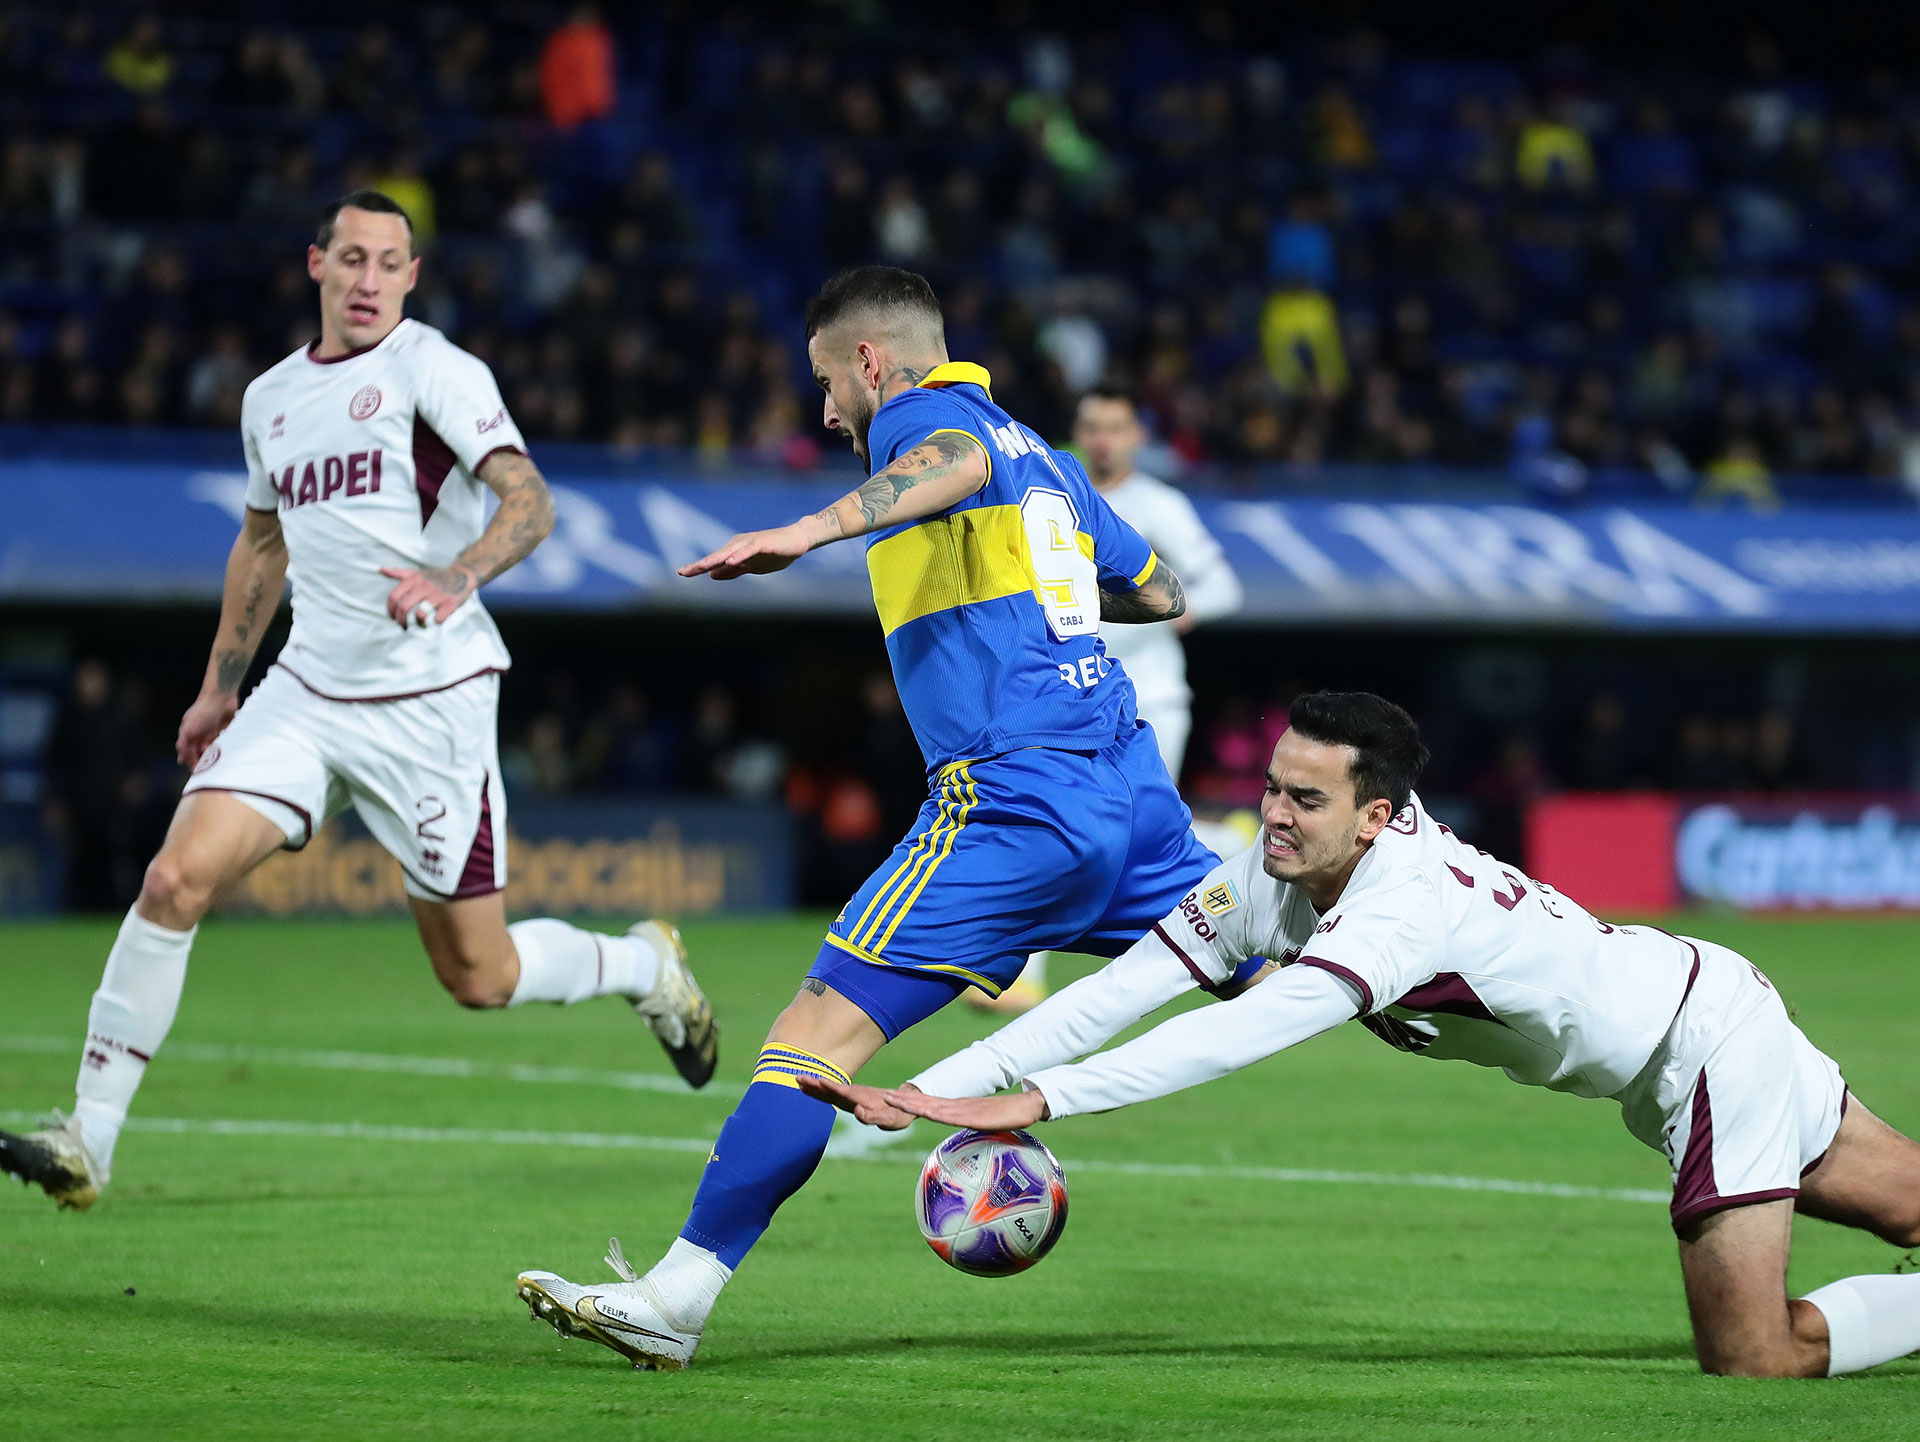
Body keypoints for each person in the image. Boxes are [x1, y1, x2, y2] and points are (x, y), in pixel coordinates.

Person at [514, 264, 1225, 1371]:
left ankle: (676, 1296)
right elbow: (1165, 591)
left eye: (827, 386)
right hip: (1130, 792)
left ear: (870, 361)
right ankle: (1541, 1005)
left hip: (1015, 797)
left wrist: (813, 528)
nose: (828, 411)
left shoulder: (930, 418)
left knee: (811, 1039)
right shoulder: (1048, 455)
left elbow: (946, 462)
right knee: (1300, 967)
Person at [815, 691, 1920, 1380]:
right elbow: (1125, 988)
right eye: (1272, 788)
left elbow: (1237, 1033)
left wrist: (1045, 1101)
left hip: (1711, 1049)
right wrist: (937, 1083)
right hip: (1687, 1028)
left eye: (1306, 797)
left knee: (1752, 1356)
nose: (1276, 815)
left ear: (1377, 815)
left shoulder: (1401, 906)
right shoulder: (1270, 872)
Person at [0, 191, 717, 1215]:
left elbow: (530, 499)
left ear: (412, 276)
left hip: (430, 701)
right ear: (317, 266)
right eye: (352, 259)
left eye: (390, 262)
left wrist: (456, 575)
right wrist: (219, 687)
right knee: (172, 879)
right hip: (305, 690)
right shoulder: (271, 399)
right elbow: (261, 543)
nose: (370, 279)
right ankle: (89, 1139)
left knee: (480, 972)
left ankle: (642, 963)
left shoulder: (436, 370)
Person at [977, 387, 1247, 1014]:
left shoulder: (1160, 505)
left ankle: (1230, 857)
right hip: (1070, 689)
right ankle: (1023, 976)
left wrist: (1185, 611)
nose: (1102, 439)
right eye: (1091, 426)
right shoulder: (1047, 490)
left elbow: (1222, 583)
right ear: (1077, 431)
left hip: (1151, 695)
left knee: (1141, 828)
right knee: (1061, 816)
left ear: (1136, 437)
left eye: (1115, 427)